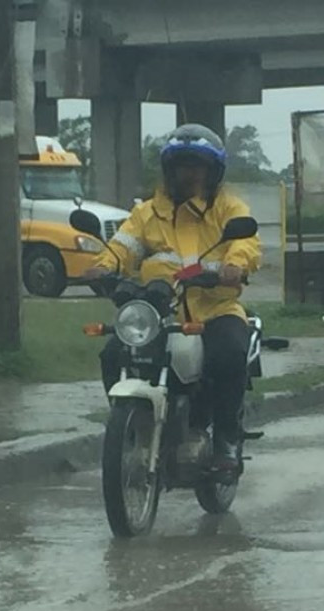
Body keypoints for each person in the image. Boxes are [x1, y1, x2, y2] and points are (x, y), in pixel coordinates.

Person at [83, 123, 261, 471]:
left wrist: (234, 265)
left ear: (212, 171)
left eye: (197, 166)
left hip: (216, 309)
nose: (189, 173)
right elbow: (123, 246)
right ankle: (133, 428)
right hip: (159, 314)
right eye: (182, 166)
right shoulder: (147, 212)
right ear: (169, 169)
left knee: (229, 354)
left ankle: (226, 438)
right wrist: (102, 267)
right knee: (113, 354)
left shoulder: (229, 208)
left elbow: (246, 241)